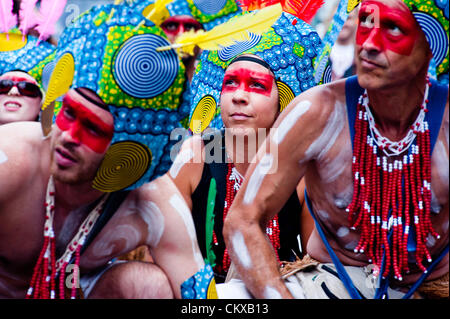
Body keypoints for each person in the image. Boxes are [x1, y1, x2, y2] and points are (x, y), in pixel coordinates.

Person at [223, 0, 449, 299]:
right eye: (365, 24)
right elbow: (243, 220)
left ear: (429, 44)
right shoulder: (315, 111)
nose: (369, 44)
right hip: (325, 282)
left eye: (392, 28)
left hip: (432, 288)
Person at [0, 3, 215, 299]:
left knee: (147, 286)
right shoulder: (10, 156)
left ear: (127, 150)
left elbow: (199, 294)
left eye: (93, 129)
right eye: (70, 114)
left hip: (81, 293)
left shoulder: (154, 201)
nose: (69, 136)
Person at [167, 1, 324, 284]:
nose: (239, 96)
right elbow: (167, 259)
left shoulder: (303, 175)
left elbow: (316, 267)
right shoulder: (193, 157)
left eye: (256, 85)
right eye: (230, 83)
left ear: (283, 100)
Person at [330, 7, 358, 80]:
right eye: (338, 18)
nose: (342, 23)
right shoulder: (319, 53)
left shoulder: (361, 56)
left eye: (347, 18)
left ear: (356, 20)